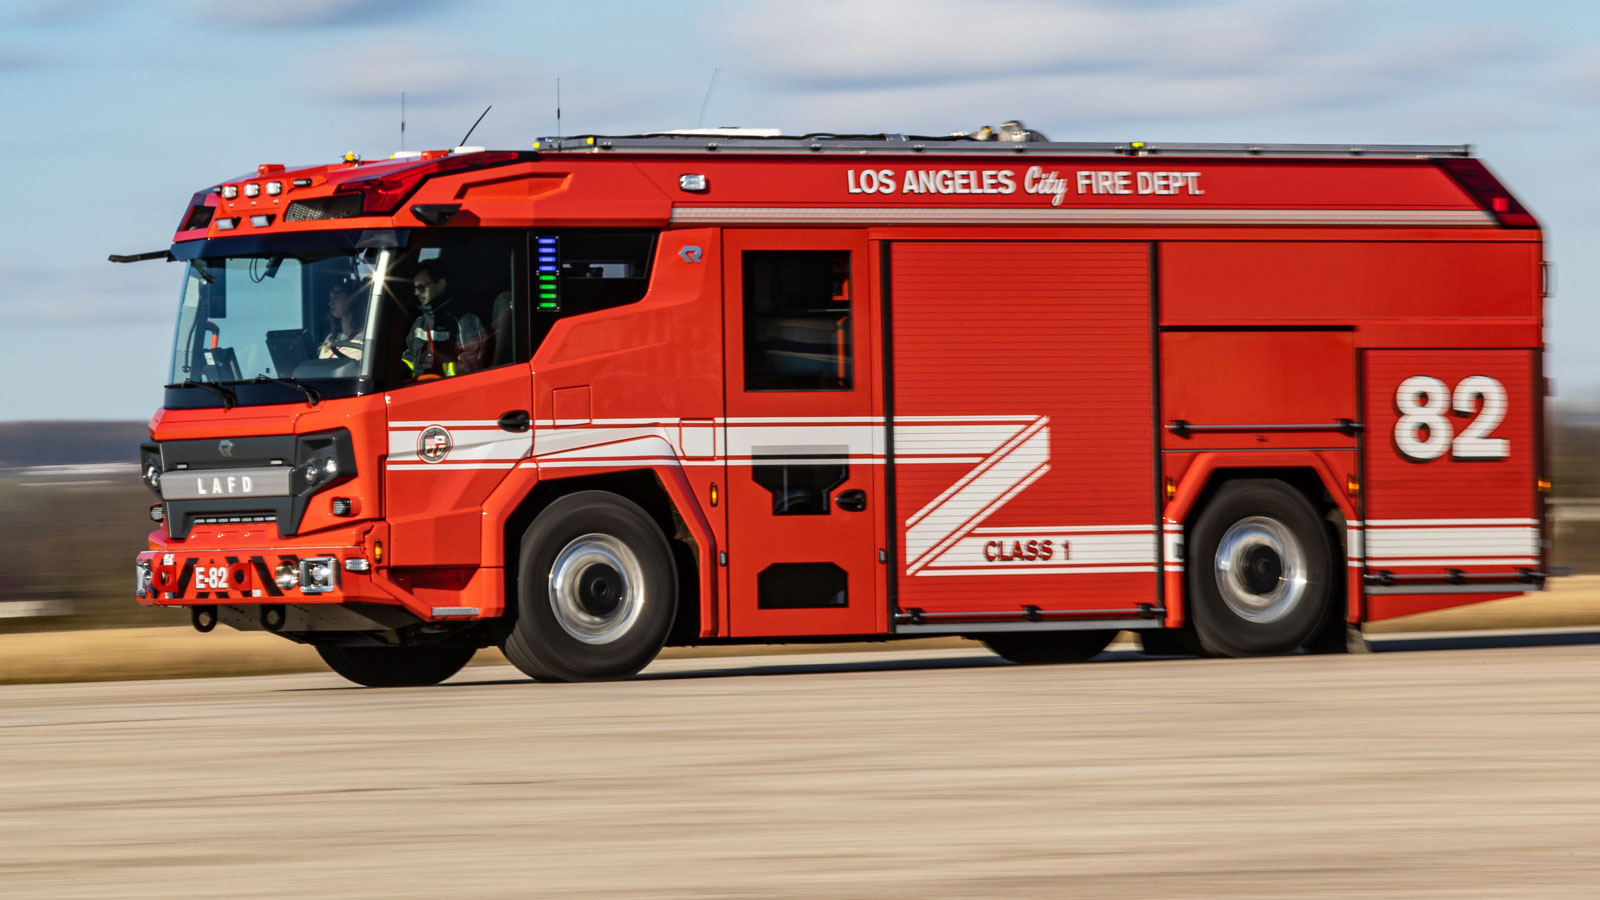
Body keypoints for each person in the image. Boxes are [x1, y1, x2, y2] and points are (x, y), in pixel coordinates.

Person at [402, 260, 486, 378]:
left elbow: (470, 367)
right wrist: (403, 370)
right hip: (418, 388)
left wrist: (436, 374)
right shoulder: (420, 322)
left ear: (441, 283)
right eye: (415, 288)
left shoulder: (463, 319)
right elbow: (410, 357)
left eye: (421, 287)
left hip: (448, 390)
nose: (416, 293)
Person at [317, 278, 367, 361]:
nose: (331, 303)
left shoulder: (365, 336)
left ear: (351, 299)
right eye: (330, 298)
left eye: (336, 298)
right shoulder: (330, 338)